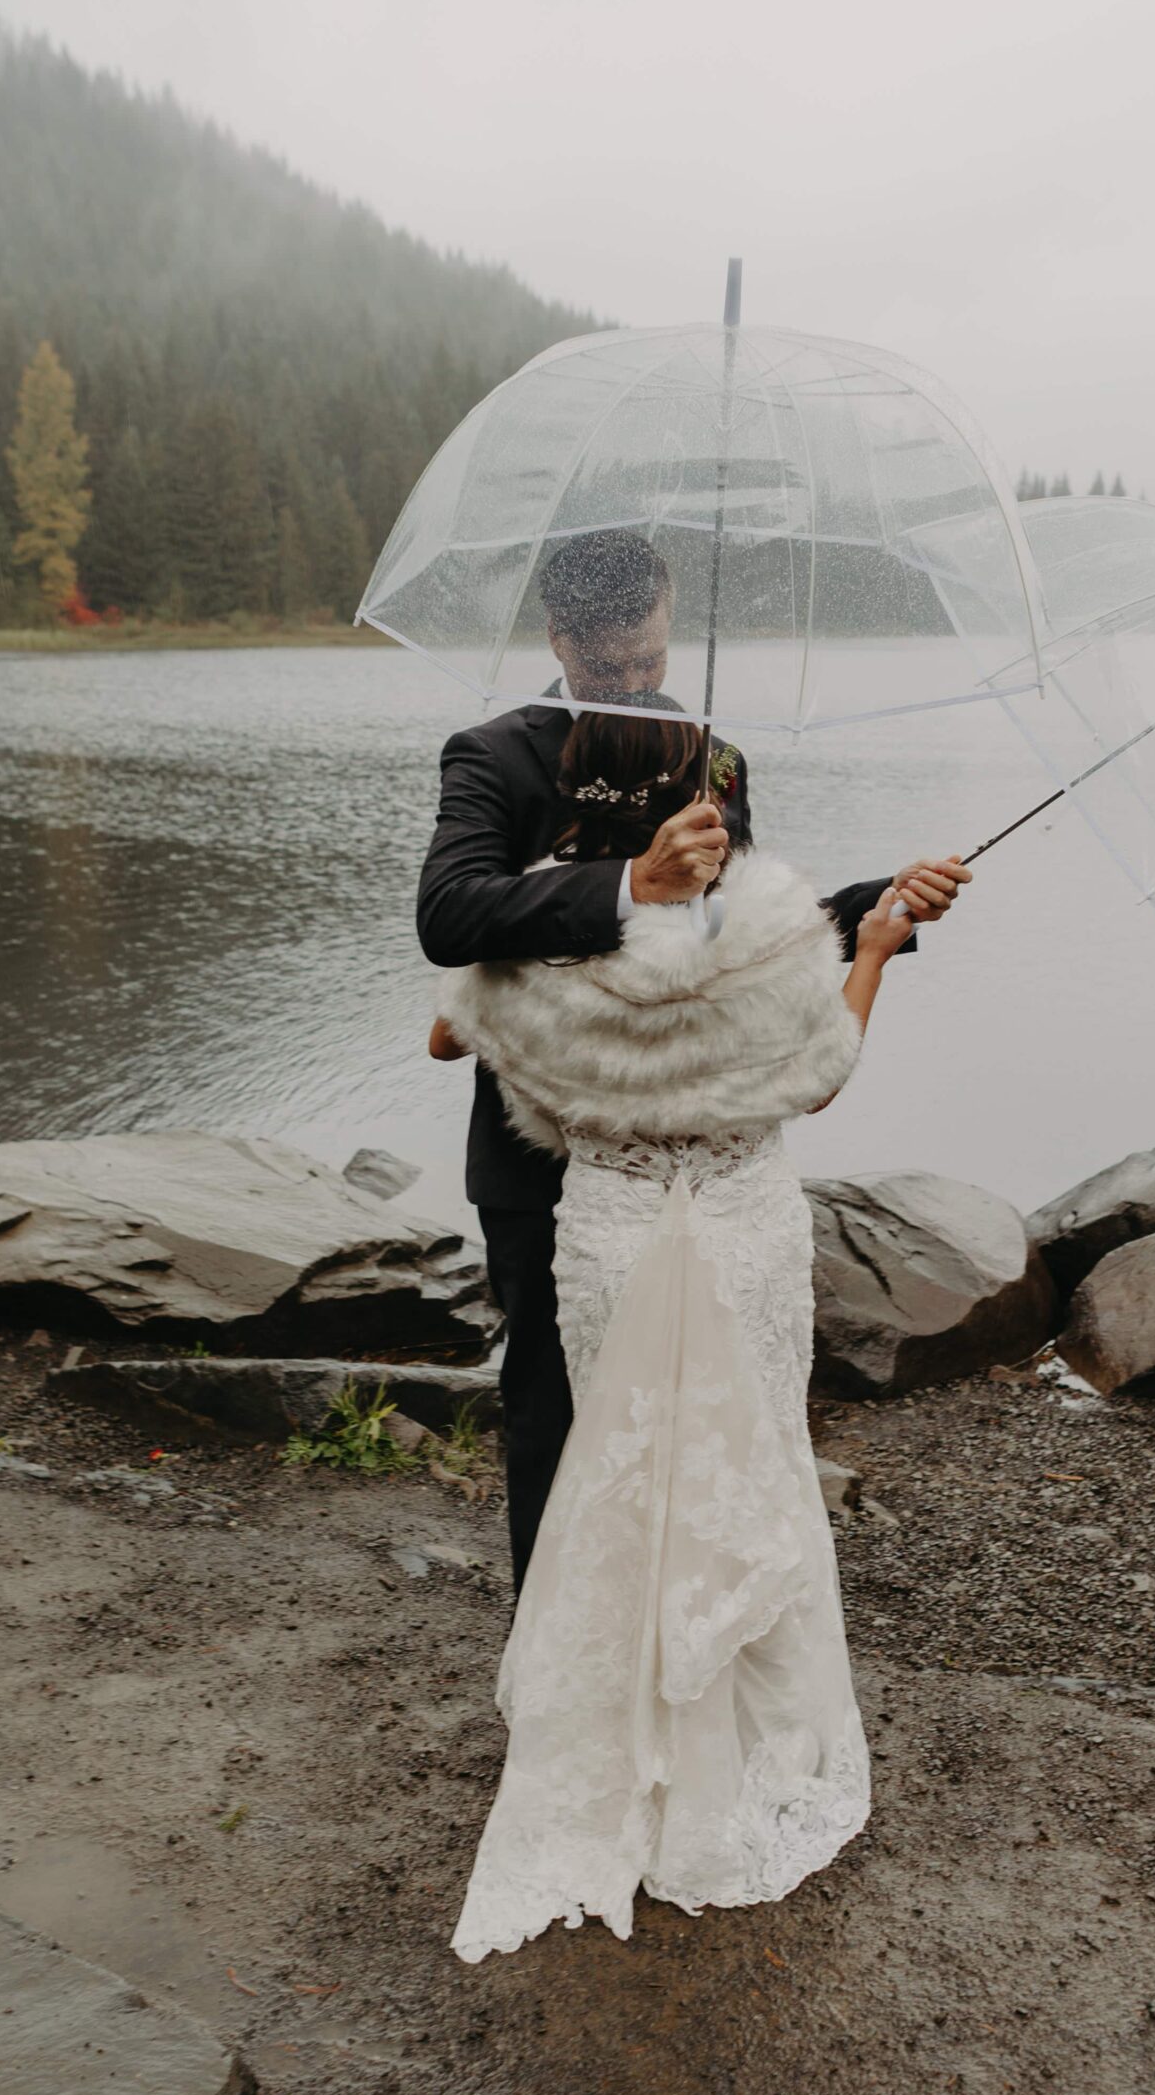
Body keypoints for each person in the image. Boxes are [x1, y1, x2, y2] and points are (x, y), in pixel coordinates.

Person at [431, 708, 921, 1960]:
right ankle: (732, 1724)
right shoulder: (757, 966)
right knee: (743, 1463)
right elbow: (822, 1066)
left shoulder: (540, 984)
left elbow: (451, 1027)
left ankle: (592, 1712)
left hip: (608, 1235)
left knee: (614, 1466)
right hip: (742, 1234)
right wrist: (866, 943)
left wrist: (566, 934)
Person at [415, 527, 971, 1593]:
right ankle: (553, 1659)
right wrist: (634, 886)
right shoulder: (491, 753)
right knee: (550, 1409)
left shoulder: (709, 752)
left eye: (650, 662)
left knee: (686, 1412)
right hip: (539, 1148)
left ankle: (669, 1635)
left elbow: (744, 937)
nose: (633, 686)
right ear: (561, 636)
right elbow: (448, 917)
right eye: (609, 666)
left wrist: (877, 907)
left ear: (667, 629)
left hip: (687, 1151)